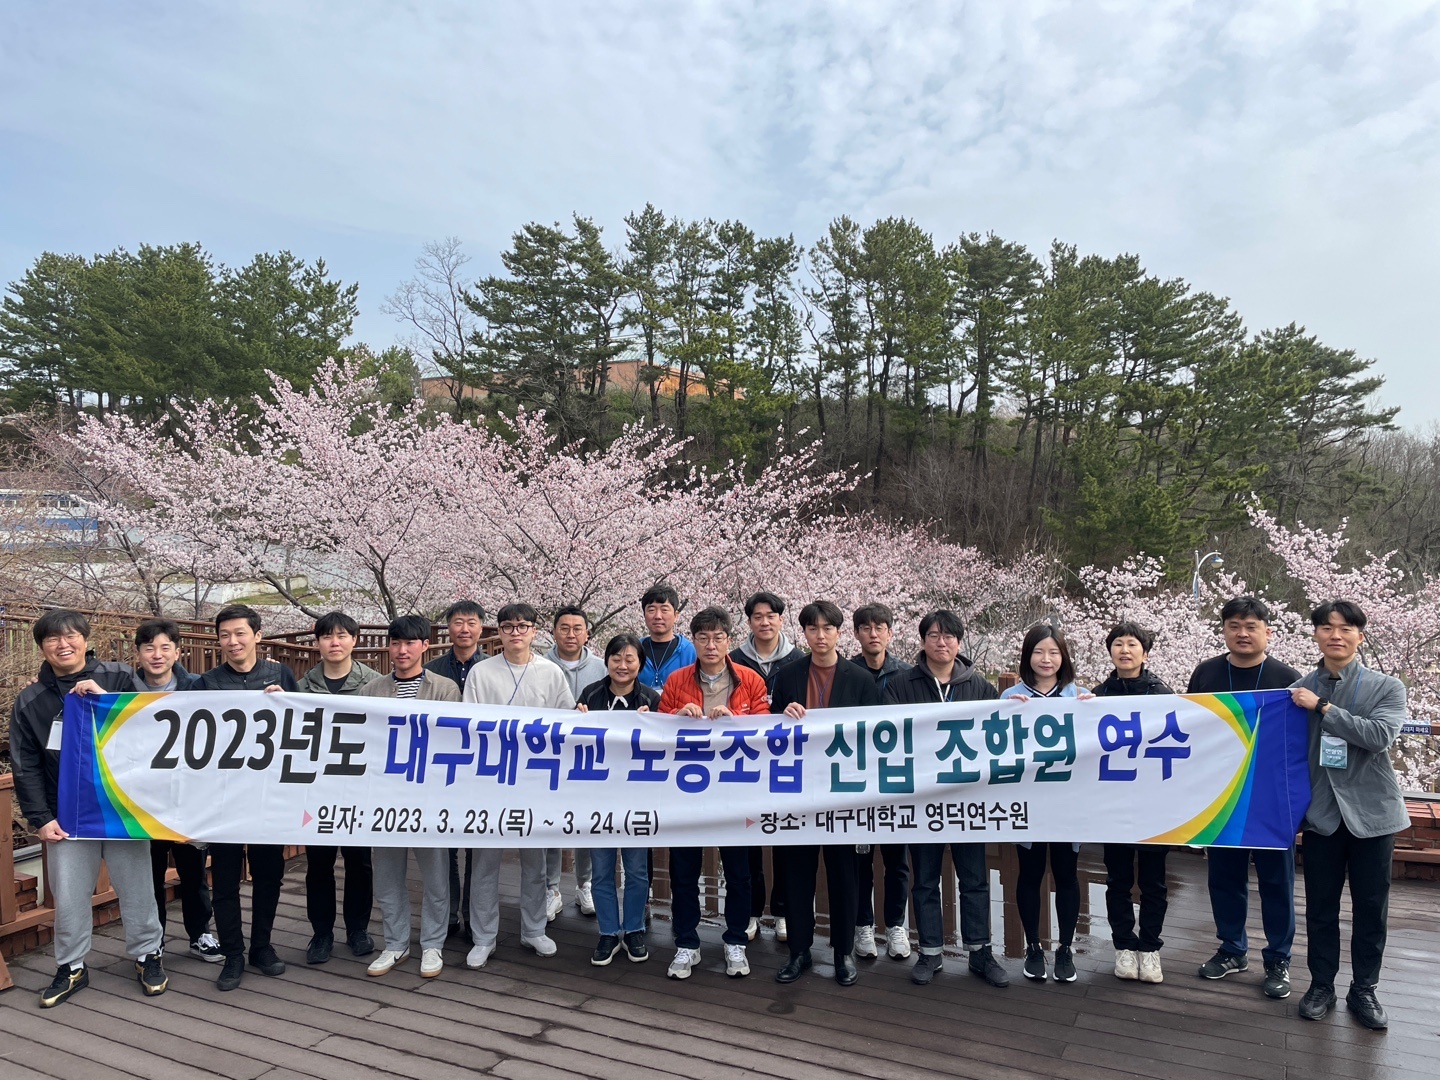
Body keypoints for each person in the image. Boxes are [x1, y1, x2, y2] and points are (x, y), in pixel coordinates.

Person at [11, 610, 168, 1007]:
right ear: (42, 647)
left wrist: (109, 702)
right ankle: (71, 966)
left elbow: (153, 727)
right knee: (68, 895)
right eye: (52, 639)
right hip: (66, 815)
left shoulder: (118, 677)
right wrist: (40, 818)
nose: (63, 645)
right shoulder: (31, 699)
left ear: (85, 639)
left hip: (121, 808)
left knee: (137, 887)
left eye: (71, 636)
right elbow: (25, 763)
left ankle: (148, 954)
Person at [1289, 600, 1410, 1030]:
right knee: (1320, 907)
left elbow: (1378, 737)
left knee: (1371, 907)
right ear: (1316, 634)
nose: (1335, 635)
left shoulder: (1387, 687)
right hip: (1321, 815)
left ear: (1360, 635)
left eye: (1345, 628)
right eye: (1326, 627)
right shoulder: (1296, 689)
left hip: (1373, 815)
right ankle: (1321, 985)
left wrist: (1322, 708)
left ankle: (1364, 989)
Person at [886, 609, 1009, 988]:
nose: (942, 642)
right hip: (921, 800)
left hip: (968, 800)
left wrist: (1020, 711)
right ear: (923, 640)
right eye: (934, 636)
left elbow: (1000, 734)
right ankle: (930, 952)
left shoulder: (980, 687)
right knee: (924, 880)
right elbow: (886, 738)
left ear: (959, 642)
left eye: (949, 636)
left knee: (974, 879)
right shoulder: (900, 685)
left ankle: (980, 952)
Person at [1187, 597, 1302, 1000]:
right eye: (1234, 625)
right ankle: (1232, 949)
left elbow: (1298, 744)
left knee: (1276, 882)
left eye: (1251, 626)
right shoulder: (1206, 672)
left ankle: (1278, 959)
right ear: (1223, 630)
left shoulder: (1288, 678)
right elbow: (1190, 730)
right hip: (1221, 796)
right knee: (1224, 878)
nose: (1242, 633)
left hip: (1271, 798)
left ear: (1267, 631)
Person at [769, 600, 880, 986]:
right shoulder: (788, 676)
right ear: (804, 633)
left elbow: (873, 734)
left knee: (844, 874)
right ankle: (799, 951)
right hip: (798, 789)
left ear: (838, 632)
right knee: (797, 872)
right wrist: (783, 716)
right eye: (813, 629)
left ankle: (842, 952)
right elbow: (769, 731)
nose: (820, 635)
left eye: (827, 628)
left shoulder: (860, 679)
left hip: (843, 791)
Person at [463, 603, 576, 967]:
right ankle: (483, 937)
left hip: (536, 781)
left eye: (523, 626)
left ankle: (534, 929)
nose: (516, 632)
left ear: (534, 631)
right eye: (508, 626)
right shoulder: (481, 672)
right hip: (492, 779)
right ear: (499, 631)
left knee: (535, 861)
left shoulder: (551, 672)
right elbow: (469, 725)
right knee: (485, 863)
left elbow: (568, 723)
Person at [657, 606, 767, 980]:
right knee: (684, 871)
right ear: (694, 641)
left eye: (718, 637)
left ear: (729, 640)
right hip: (687, 790)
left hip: (736, 791)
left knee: (738, 872)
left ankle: (735, 940)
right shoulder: (677, 680)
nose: (710, 644)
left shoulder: (750, 680)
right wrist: (677, 716)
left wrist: (738, 722)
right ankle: (686, 943)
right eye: (702, 637)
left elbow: (767, 731)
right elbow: (657, 731)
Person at [197, 604, 298, 992]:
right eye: (225, 635)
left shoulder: (281, 674)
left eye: (240, 633)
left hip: (268, 794)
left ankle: (262, 946)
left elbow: (303, 727)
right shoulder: (206, 682)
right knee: (224, 877)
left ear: (257, 635)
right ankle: (233, 953)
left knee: (269, 874)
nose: (233, 641)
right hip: (222, 796)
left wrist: (285, 702)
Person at [359, 615, 462, 978]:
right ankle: (395, 943)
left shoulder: (445, 688)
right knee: (387, 876)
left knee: (435, 876)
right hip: (386, 797)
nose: (402, 650)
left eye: (409, 643)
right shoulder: (371, 691)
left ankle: (432, 944)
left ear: (424, 646)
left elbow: (452, 740)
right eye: (396, 643)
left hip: (429, 796)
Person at [1000, 624, 1088, 983]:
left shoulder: (1080, 696)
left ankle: (1065, 948)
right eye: (1038, 651)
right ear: (1028, 656)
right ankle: (1033, 946)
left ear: (1063, 656)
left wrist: (1094, 712)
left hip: (1069, 803)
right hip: (1029, 802)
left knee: (1067, 874)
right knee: (1030, 872)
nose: (1046, 659)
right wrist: (1005, 713)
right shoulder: (1011, 697)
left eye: (1053, 652)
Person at [132, 618, 222, 964]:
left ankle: (200, 934)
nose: (157, 655)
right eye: (149, 648)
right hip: (141, 798)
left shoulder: (198, 686)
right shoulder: (122, 689)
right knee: (148, 874)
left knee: (193, 871)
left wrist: (267, 678)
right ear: (138, 653)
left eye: (165, 647)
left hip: (188, 797)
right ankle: (153, 939)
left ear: (177, 652)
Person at [1093, 619, 1173, 986]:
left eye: (1132, 644)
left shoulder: (1164, 695)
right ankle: (1124, 945)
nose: (1125, 650)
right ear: (1110, 651)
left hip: (1155, 804)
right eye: (1118, 644)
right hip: (1113, 804)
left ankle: (1150, 948)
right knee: (1118, 879)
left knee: (1154, 881)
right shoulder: (1096, 697)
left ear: (1145, 652)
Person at [296, 610, 378, 964]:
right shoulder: (302, 687)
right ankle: (321, 933)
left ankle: (358, 929)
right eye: (327, 636)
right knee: (319, 863)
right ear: (317, 642)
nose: (335, 642)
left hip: (359, 787)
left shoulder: (374, 684)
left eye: (342, 635)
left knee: (359, 861)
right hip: (318, 788)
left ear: (354, 640)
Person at [576, 633, 659, 965]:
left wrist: (653, 723)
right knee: (602, 870)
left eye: (630, 659)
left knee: (637, 870)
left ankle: (634, 928)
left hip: (638, 798)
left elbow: (667, 746)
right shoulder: (590, 695)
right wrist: (576, 719)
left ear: (640, 663)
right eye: (616, 658)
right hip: (599, 798)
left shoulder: (651, 698)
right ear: (606, 661)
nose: (622, 665)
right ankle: (608, 932)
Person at [729, 590, 804, 942]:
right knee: (748, 840)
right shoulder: (733, 660)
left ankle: (784, 911)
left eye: (771, 616)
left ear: (781, 620)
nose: (764, 622)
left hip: (786, 763)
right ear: (749, 622)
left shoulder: (798, 660)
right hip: (744, 763)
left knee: (785, 837)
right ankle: (752, 911)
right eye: (757, 616)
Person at [849, 602, 910, 960]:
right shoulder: (846, 672)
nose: (873, 634)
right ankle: (863, 925)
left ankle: (896, 925)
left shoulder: (906, 674)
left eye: (880, 628)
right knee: (861, 859)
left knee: (897, 859)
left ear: (890, 632)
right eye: (866, 628)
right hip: (856, 779)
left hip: (896, 778)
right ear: (856, 633)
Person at [426, 599, 485, 939]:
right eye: (458, 622)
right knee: (444, 846)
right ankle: (447, 915)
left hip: (480, 769)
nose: (464, 629)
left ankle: (473, 916)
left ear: (481, 628)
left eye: (471, 622)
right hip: (441, 768)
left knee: (477, 847)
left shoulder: (491, 668)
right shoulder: (431, 670)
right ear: (448, 627)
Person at [543, 605, 606, 919]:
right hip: (550, 755)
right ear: (554, 632)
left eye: (577, 628)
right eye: (564, 628)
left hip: (589, 756)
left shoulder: (602, 667)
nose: (571, 634)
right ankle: (551, 888)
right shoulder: (539, 665)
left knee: (587, 820)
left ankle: (585, 884)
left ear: (587, 633)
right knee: (550, 820)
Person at [637, 583, 696, 692]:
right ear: (644, 615)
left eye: (664, 610)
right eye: (651, 610)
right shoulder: (635, 649)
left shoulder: (689, 651)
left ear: (676, 616)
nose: (658, 616)